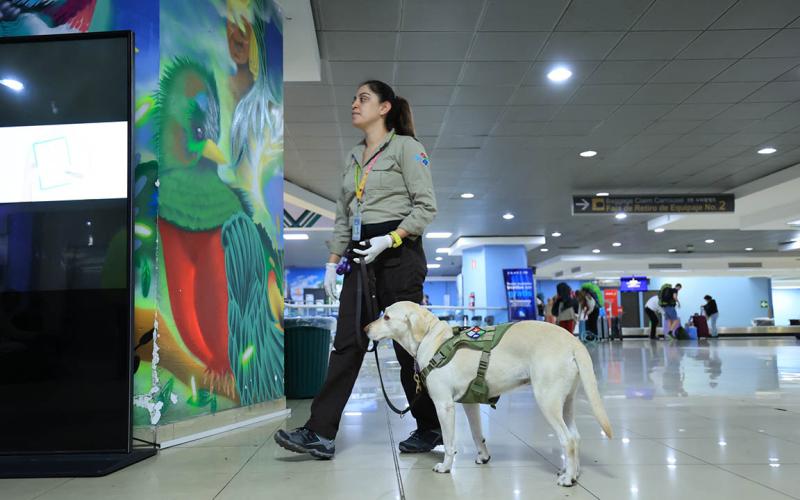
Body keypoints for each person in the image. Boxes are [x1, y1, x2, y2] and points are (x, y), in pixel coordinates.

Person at [275, 80, 440, 458]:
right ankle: (319, 433)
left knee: (408, 348)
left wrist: (391, 239)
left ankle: (431, 426)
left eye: (363, 98)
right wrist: (332, 262)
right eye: (354, 98)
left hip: (399, 254)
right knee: (347, 343)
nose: (354, 103)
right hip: (361, 256)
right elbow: (343, 216)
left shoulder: (407, 148)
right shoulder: (353, 157)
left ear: (384, 108)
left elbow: (426, 207)